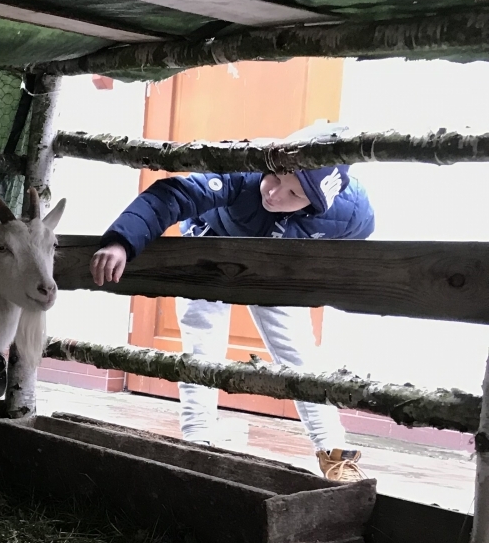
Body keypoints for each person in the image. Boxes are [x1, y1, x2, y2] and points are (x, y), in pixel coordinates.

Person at [89, 123, 374, 482]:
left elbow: (358, 241)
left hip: (274, 265)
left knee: (298, 353)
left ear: (317, 204)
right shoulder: (244, 171)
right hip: (211, 247)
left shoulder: (351, 212)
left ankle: (334, 452)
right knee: (201, 345)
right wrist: (121, 242)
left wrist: (314, 276)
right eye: (277, 176)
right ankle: (198, 443)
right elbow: (172, 195)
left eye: (293, 194)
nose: (274, 193)